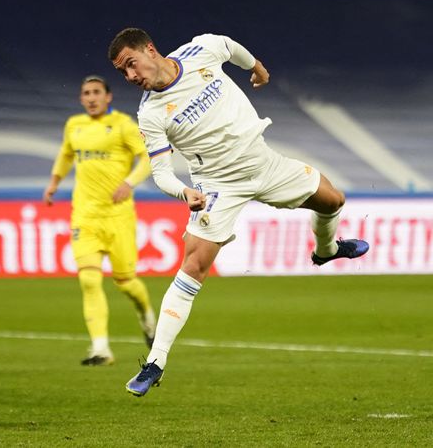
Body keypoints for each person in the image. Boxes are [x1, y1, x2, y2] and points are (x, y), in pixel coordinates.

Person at [107, 28, 370, 396]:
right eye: (123, 73)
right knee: (194, 266)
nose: (131, 77)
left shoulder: (200, 50)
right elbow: (162, 172)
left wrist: (257, 67)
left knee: (333, 200)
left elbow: (228, 45)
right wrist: (185, 192)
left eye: (131, 65)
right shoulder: (150, 113)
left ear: (150, 50)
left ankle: (325, 251)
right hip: (218, 188)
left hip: (264, 163)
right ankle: (155, 362)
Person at [43, 75, 155, 366]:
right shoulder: (74, 125)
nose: (91, 98)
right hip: (85, 216)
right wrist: (54, 183)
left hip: (118, 218)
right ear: (81, 99)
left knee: (126, 283)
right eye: (86, 93)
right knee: (89, 280)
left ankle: (146, 314)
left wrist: (129, 183)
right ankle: (100, 349)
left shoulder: (124, 125)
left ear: (108, 97)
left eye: (96, 92)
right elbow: (66, 154)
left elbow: (147, 159)